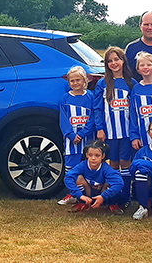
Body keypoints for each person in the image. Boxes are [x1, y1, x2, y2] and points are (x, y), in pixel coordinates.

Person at [94, 46, 137, 206]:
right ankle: (113, 197)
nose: (114, 63)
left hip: (126, 132)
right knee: (113, 164)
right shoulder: (102, 83)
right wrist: (100, 128)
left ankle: (125, 197)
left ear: (123, 60)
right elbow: (97, 108)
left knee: (126, 163)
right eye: (110, 61)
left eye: (116, 59)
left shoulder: (131, 83)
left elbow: (135, 110)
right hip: (109, 132)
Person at [57, 66, 95, 205]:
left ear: (85, 80)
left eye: (78, 80)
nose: (75, 83)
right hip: (71, 141)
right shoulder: (65, 98)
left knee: (88, 165)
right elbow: (63, 120)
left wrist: (83, 133)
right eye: (72, 81)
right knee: (71, 167)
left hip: (87, 139)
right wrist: (71, 135)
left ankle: (88, 195)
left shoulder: (91, 97)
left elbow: (93, 117)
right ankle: (73, 194)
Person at [63, 140, 126, 214]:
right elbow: (68, 177)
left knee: (111, 182)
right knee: (78, 178)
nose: (93, 158)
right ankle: (83, 202)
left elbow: (119, 183)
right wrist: (80, 195)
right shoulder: (82, 165)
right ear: (86, 155)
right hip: (87, 194)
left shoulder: (106, 168)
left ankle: (112, 204)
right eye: (90, 155)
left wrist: (103, 196)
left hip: (103, 195)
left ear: (103, 156)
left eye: (97, 155)